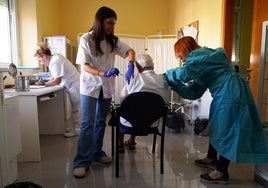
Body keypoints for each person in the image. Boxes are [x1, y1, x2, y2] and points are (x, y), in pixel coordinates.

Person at [164, 36, 268, 184]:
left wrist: (166, 76)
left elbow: (183, 74)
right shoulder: (203, 61)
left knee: (227, 129)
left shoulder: (198, 56)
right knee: (216, 124)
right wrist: (174, 85)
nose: (181, 60)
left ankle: (221, 172)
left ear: (185, 49)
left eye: (180, 55)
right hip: (226, 91)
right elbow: (194, 92)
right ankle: (211, 157)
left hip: (231, 92)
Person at [73, 6, 136, 178]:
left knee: (101, 121)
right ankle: (81, 161)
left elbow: (130, 51)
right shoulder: (86, 39)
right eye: (109, 22)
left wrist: (131, 64)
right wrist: (102, 72)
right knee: (87, 124)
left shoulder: (113, 41)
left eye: (113, 24)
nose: (111, 26)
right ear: (100, 21)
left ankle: (97, 153)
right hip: (89, 87)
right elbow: (85, 66)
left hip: (106, 88)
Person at [118, 54, 168, 153]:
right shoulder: (163, 79)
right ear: (153, 66)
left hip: (130, 123)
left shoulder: (132, 78)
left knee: (126, 111)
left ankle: (120, 145)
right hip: (152, 123)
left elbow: (122, 97)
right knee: (141, 110)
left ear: (138, 68)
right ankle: (131, 142)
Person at [34, 42, 81, 138]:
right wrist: (46, 82)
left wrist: (43, 84)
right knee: (76, 109)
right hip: (73, 85)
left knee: (77, 110)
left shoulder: (56, 61)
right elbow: (54, 77)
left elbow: (57, 80)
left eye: (40, 60)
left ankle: (77, 130)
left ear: (44, 56)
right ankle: (76, 128)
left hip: (75, 86)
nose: (41, 63)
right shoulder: (55, 58)